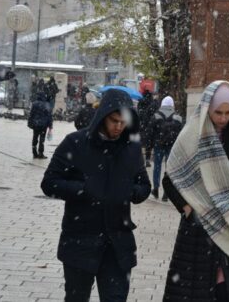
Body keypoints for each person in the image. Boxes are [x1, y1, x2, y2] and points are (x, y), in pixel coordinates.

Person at [41, 89, 150, 302]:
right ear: (102, 116)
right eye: (114, 121)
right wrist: (83, 189)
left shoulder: (132, 148)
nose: (118, 127)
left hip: (118, 243)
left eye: (123, 122)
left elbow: (144, 185)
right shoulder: (75, 143)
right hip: (80, 239)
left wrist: (130, 192)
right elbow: (49, 182)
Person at [161, 81, 229, 301]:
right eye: (218, 112)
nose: (223, 118)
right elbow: (170, 179)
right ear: (208, 108)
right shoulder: (191, 136)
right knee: (196, 291)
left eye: (228, 112)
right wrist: (189, 209)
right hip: (198, 228)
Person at [151, 96, 182, 201]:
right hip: (171, 146)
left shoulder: (156, 116)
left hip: (158, 145)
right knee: (169, 169)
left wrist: (149, 146)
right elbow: (181, 134)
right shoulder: (178, 117)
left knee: (157, 167)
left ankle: (155, 189)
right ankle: (166, 193)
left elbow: (151, 132)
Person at [27, 92, 53, 159]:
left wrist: (30, 123)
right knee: (42, 139)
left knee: (35, 137)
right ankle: (41, 153)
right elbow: (49, 116)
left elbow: (31, 114)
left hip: (36, 124)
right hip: (43, 125)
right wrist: (50, 126)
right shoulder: (46, 104)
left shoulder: (34, 104)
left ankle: (34, 153)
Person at [136, 88, 157, 168]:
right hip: (151, 125)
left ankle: (143, 159)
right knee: (151, 142)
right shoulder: (152, 103)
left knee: (143, 143)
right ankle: (150, 158)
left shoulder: (140, 102)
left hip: (143, 126)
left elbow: (139, 113)